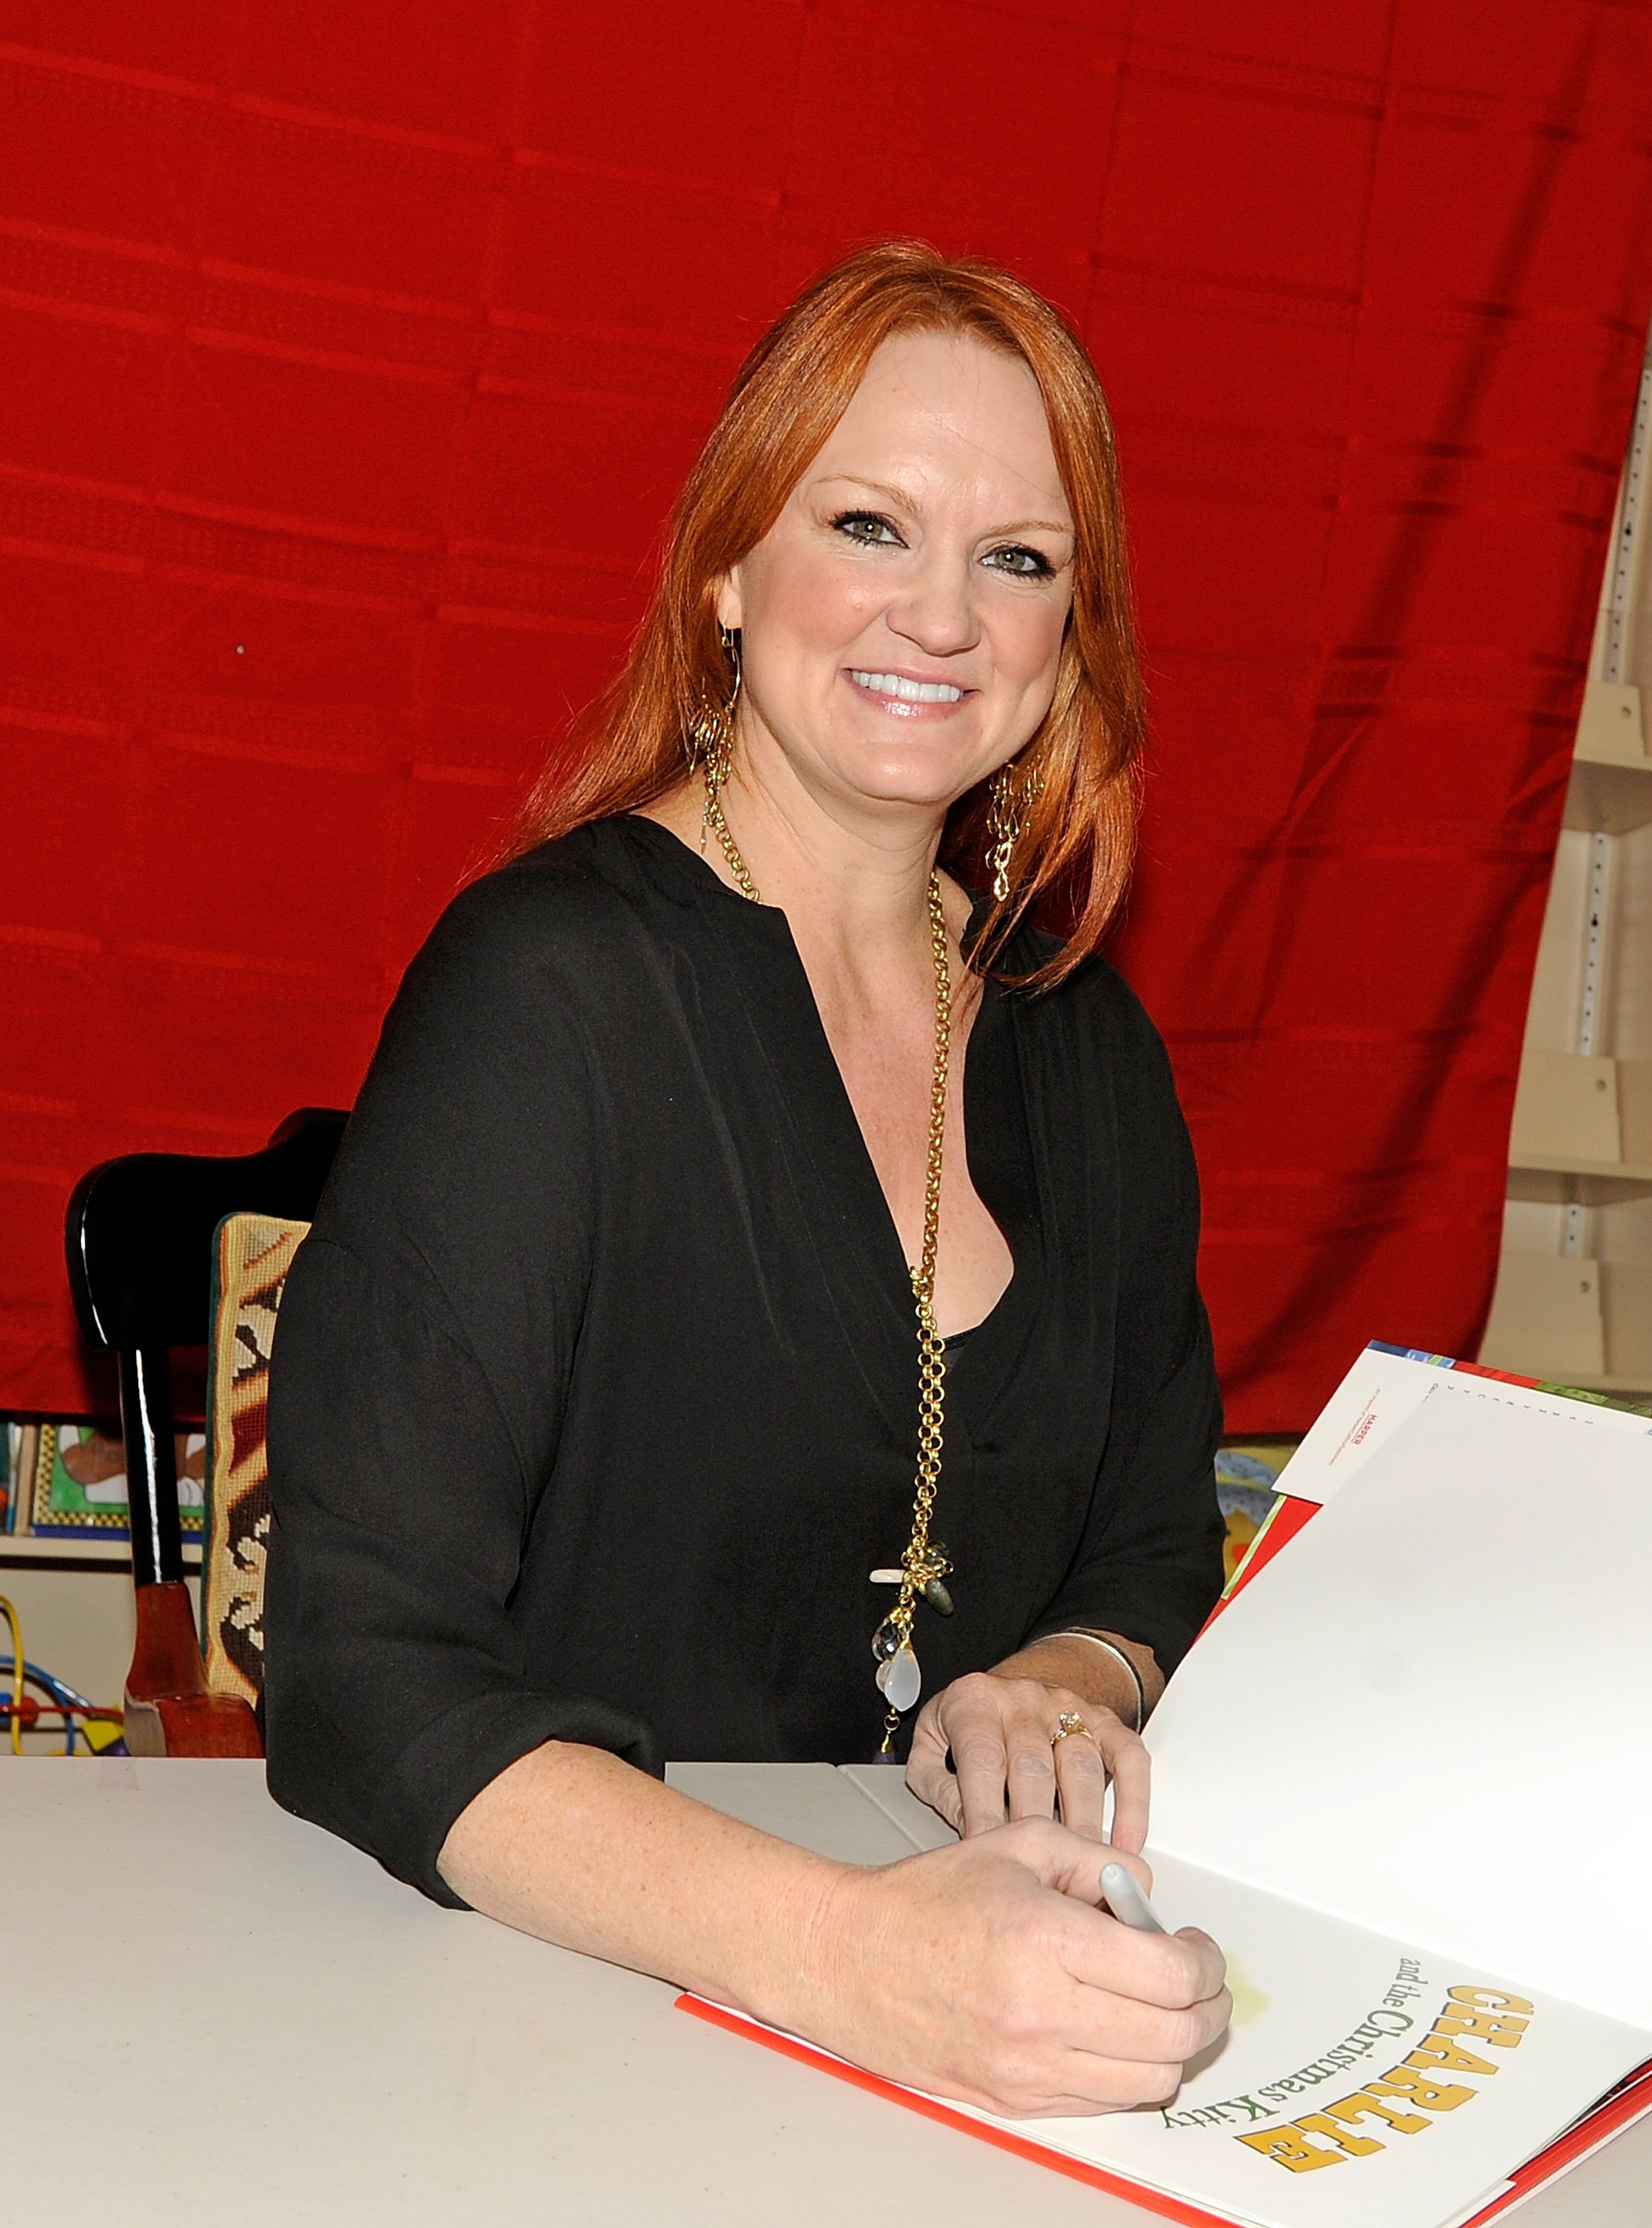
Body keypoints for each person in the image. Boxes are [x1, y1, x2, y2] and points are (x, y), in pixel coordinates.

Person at [266, 241, 1232, 2117]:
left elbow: (1151, 1546)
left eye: (1017, 560)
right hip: (544, 2008)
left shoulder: (1092, 1049)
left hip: (981, 2007)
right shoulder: (548, 987)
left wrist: (1065, 1673)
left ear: (1068, 641)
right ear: (729, 571)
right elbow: (360, 1673)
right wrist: (856, 1956)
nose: (940, 616)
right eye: (869, 524)